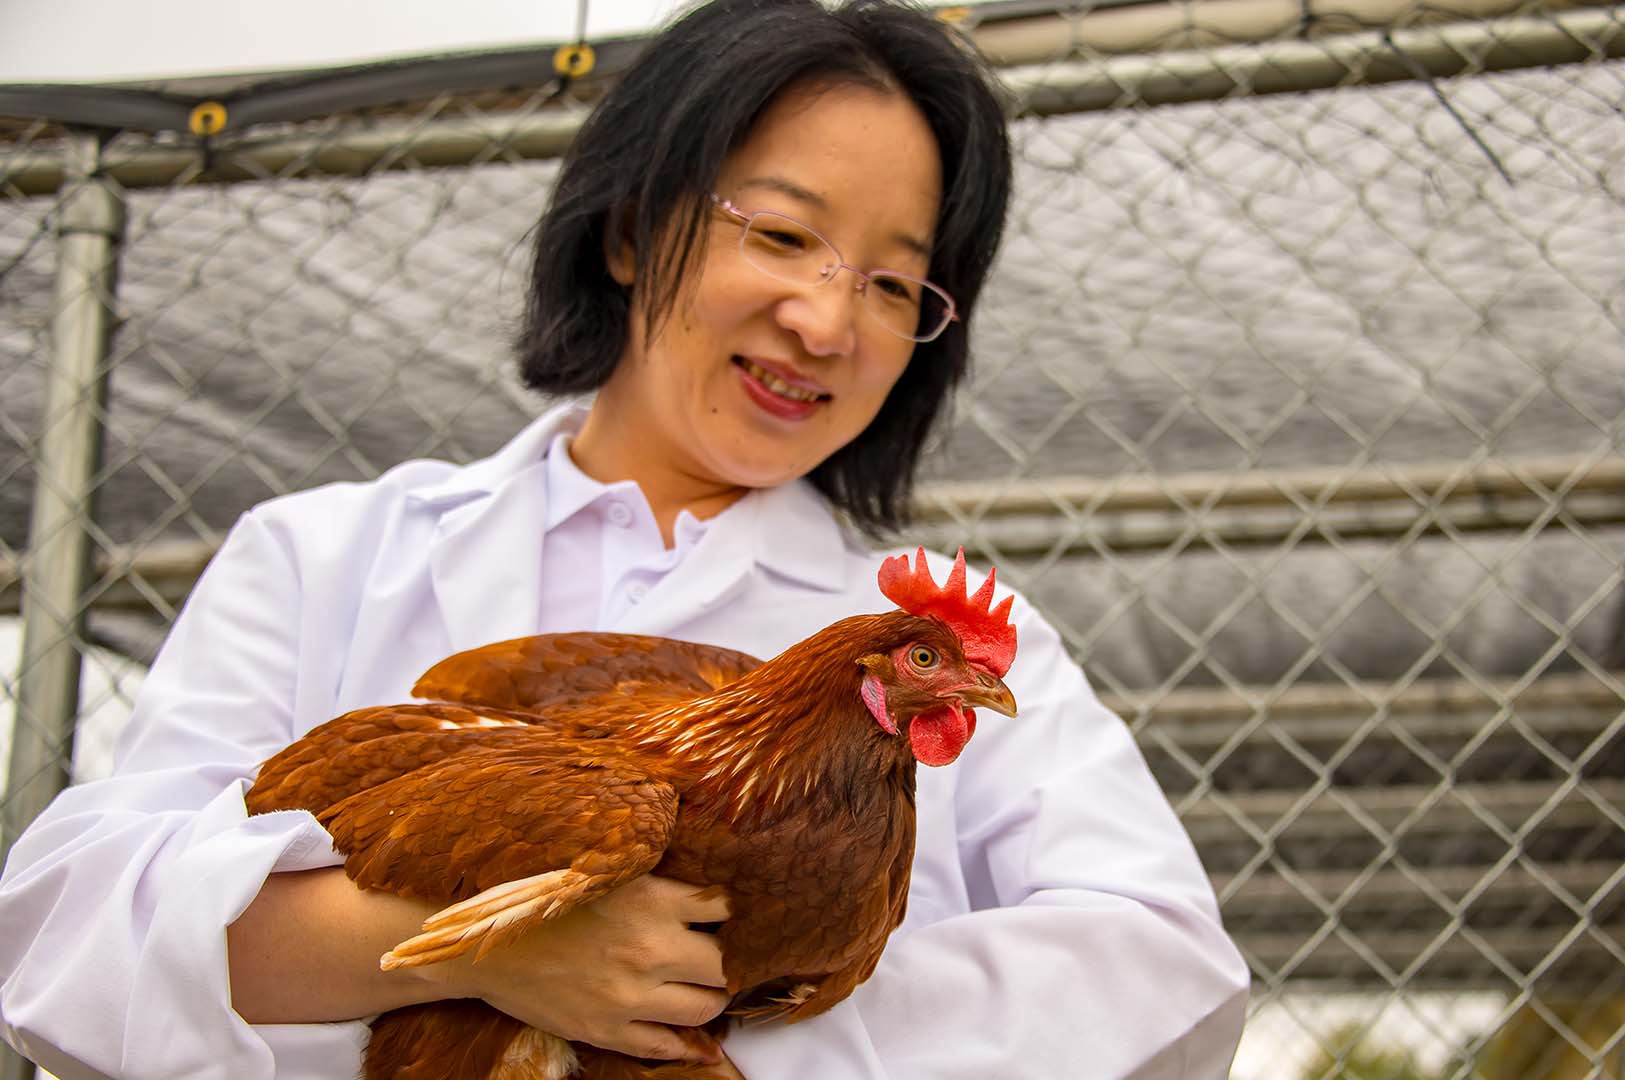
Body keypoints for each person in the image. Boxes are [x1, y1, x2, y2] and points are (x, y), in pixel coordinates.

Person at [0, 0, 1250, 1076]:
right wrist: (493, 951)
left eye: (889, 282)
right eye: (780, 233)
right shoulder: (330, 555)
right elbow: (72, 933)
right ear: (630, 229)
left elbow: (1160, 970)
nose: (825, 318)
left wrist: (704, 1013)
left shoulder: (942, 645)